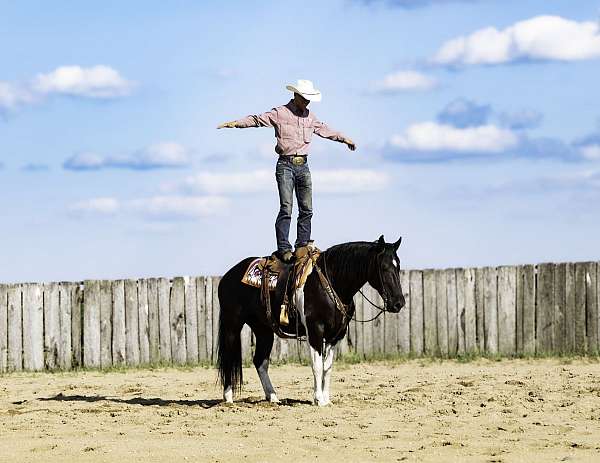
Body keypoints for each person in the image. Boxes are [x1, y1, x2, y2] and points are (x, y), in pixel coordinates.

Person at [218, 79, 356, 262]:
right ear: (296, 95)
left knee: (307, 209)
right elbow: (257, 120)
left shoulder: (310, 117)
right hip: (285, 166)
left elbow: (325, 130)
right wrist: (235, 123)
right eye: (305, 98)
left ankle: (302, 245)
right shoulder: (280, 113)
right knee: (287, 208)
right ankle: (284, 248)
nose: (307, 102)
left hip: (303, 166)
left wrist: (345, 139)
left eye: (309, 99)